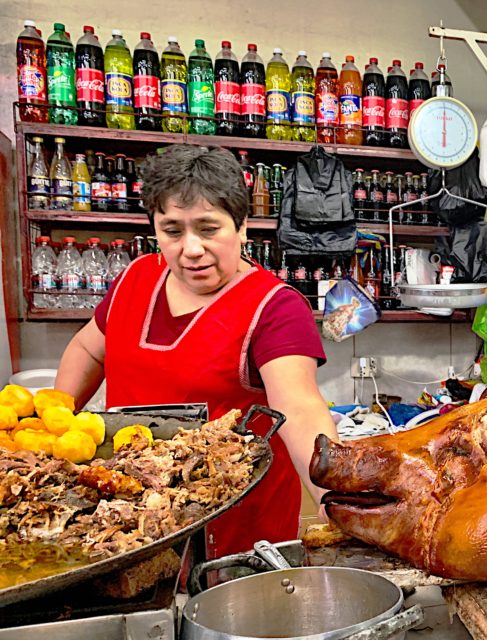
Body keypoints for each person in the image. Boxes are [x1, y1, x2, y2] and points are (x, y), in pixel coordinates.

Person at [55, 145, 338, 558]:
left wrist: (335, 505)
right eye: (172, 231)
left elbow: (299, 408)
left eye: (208, 229)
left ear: (242, 227)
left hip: (233, 533)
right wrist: (57, 425)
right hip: (129, 520)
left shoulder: (275, 306)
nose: (190, 249)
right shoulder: (135, 278)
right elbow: (88, 348)